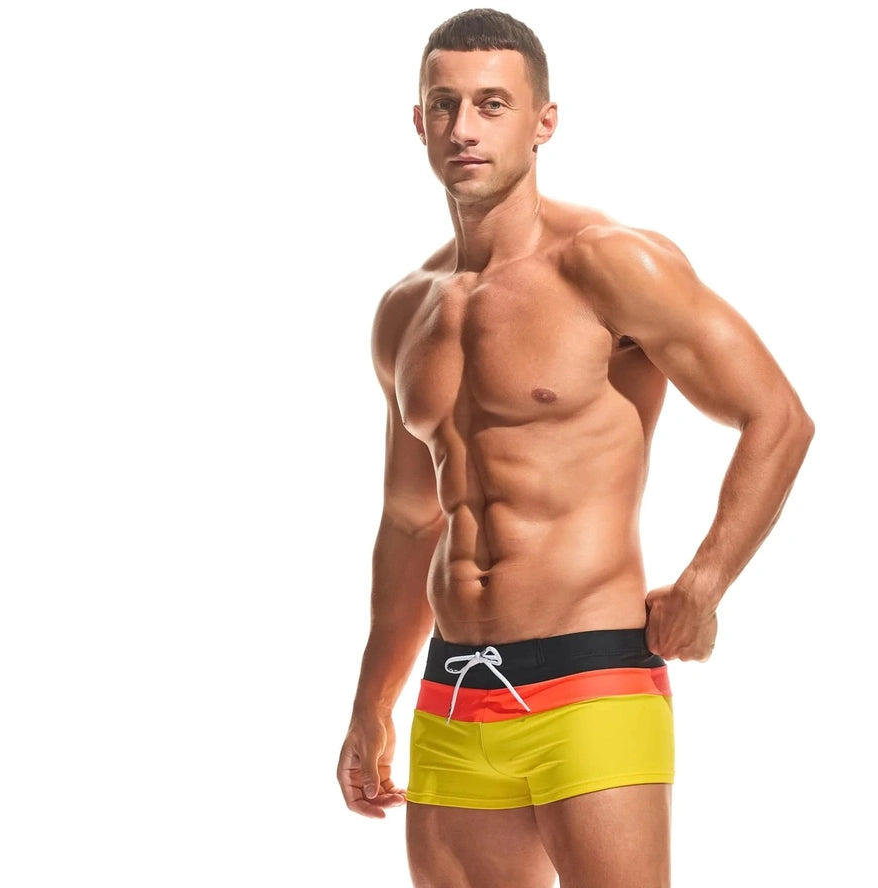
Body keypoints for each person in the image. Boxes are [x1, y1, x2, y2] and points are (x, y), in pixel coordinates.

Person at [337, 8, 814, 886]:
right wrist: (374, 698)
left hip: (590, 679)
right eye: (444, 105)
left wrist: (705, 583)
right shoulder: (405, 312)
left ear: (543, 121)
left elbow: (777, 417)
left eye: (492, 104)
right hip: (453, 691)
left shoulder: (609, 264)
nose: (464, 127)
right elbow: (409, 521)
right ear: (418, 122)